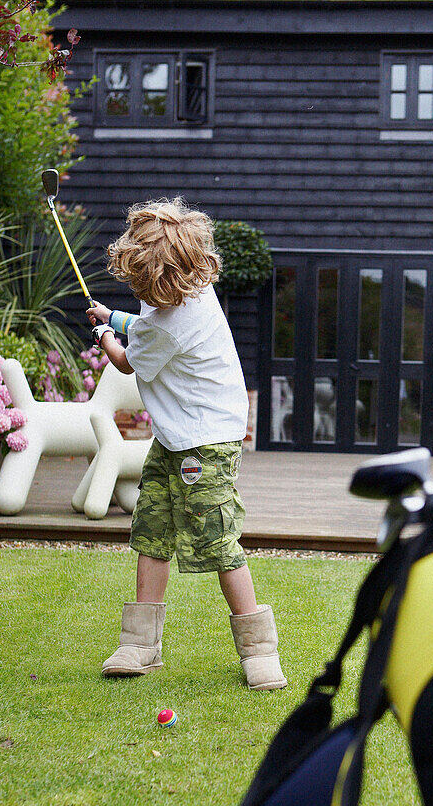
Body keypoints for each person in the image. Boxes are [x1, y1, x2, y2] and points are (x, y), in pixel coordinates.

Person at [85, 197, 286, 691]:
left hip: (206, 442)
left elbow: (128, 359)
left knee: (219, 539)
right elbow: (146, 322)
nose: (140, 291)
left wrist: (102, 333)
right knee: (152, 528)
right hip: (175, 437)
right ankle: (140, 646)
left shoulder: (173, 320)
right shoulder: (190, 286)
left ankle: (260, 652)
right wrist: (115, 314)